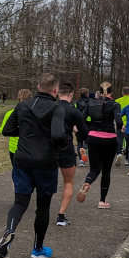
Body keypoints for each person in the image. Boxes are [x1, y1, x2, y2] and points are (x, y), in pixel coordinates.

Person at [0, 73, 67, 258]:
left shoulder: (22, 105)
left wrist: (27, 131)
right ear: (55, 90)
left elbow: (7, 130)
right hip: (46, 163)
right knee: (43, 206)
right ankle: (37, 249)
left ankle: (9, 231)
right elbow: (59, 135)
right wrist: (62, 145)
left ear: (37, 86)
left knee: (20, 202)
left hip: (22, 161)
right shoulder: (56, 108)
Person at [76, 82, 123, 208]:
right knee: (106, 171)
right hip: (109, 139)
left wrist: (89, 130)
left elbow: (81, 118)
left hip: (93, 138)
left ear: (100, 92)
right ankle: (102, 201)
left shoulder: (91, 103)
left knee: (94, 169)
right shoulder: (115, 105)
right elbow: (118, 121)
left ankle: (87, 182)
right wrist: (120, 127)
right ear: (111, 93)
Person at [55, 82, 88, 226]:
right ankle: (61, 216)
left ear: (57, 93)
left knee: (44, 181)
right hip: (66, 147)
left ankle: (41, 210)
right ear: (71, 95)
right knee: (68, 182)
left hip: (48, 148)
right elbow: (83, 131)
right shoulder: (74, 111)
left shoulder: (50, 108)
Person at [0, 89, 33, 165]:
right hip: (30, 147)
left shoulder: (10, 113)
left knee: (17, 172)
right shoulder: (35, 113)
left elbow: (2, 130)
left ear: (18, 99)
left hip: (14, 148)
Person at [114, 86, 129, 166]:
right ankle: (127, 159)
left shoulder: (117, 101)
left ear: (122, 92)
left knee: (119, 138)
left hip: (120, 122)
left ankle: (119, 153)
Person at [74, 88, 90, 166]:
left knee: (79, 142)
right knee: (88, 141)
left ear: (80, 94)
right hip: (88, 124)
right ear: (88, 94)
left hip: (78, 124)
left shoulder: (75, 103)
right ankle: (84, 148)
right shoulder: (90, 102)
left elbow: (73, 113)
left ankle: (81, 161)